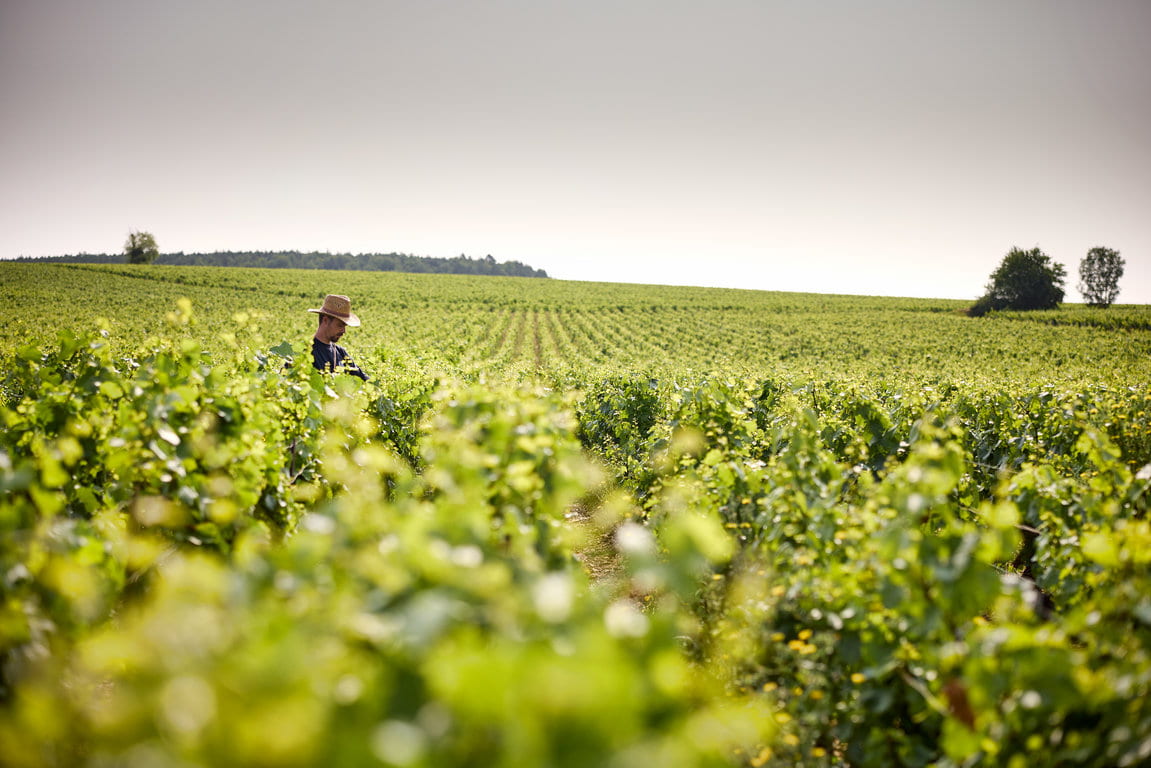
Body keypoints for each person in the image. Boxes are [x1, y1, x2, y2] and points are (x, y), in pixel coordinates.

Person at [308, 294, 368, 381]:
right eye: (340, 325)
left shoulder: (341, 352)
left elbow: (364, 379)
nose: (344, 331)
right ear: (325, 320)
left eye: (345, 326)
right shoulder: (306, 352)